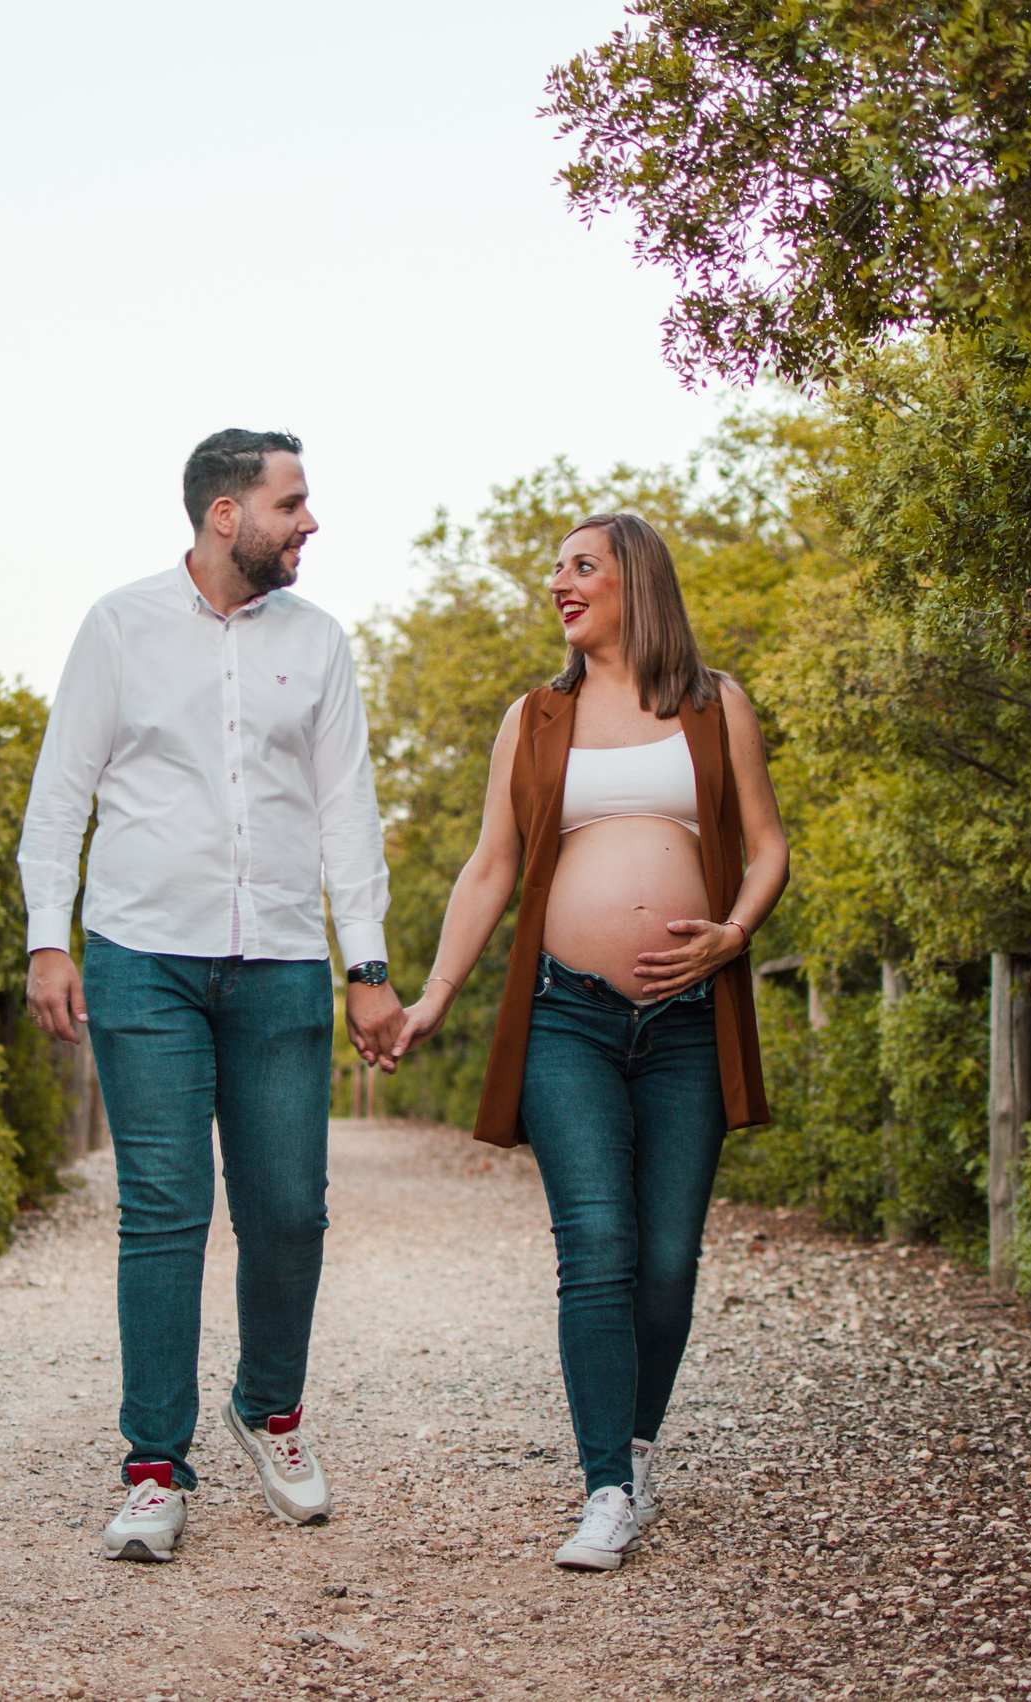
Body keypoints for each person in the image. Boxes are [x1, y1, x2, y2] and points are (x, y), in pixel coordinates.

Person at [18, 428, 405, 1563]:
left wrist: (367, 967)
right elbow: (60, 795)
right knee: (166, 1208)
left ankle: (268, 1407)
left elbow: (348, 811)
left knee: (288, 1208)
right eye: (292, 502)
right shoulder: (118, 625)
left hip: (281, 958)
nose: (309, 522)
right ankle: (152, 1465)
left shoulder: (319, 642)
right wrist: (51, 940)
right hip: (142, 953)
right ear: (225, 514)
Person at [391, 512, 787, 1571]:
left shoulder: (714, 704)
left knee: (666, 1262)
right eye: (555, 569)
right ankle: (606, 1483)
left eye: (580, 567)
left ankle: (637, 1442)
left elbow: (766, 846)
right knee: (599, 1252)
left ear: (633, 581)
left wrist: (732, 935)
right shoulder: (535, 718)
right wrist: (432, 995)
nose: (557, 583)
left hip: (688, 1024)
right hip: (565, 1015)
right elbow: (488, 869)